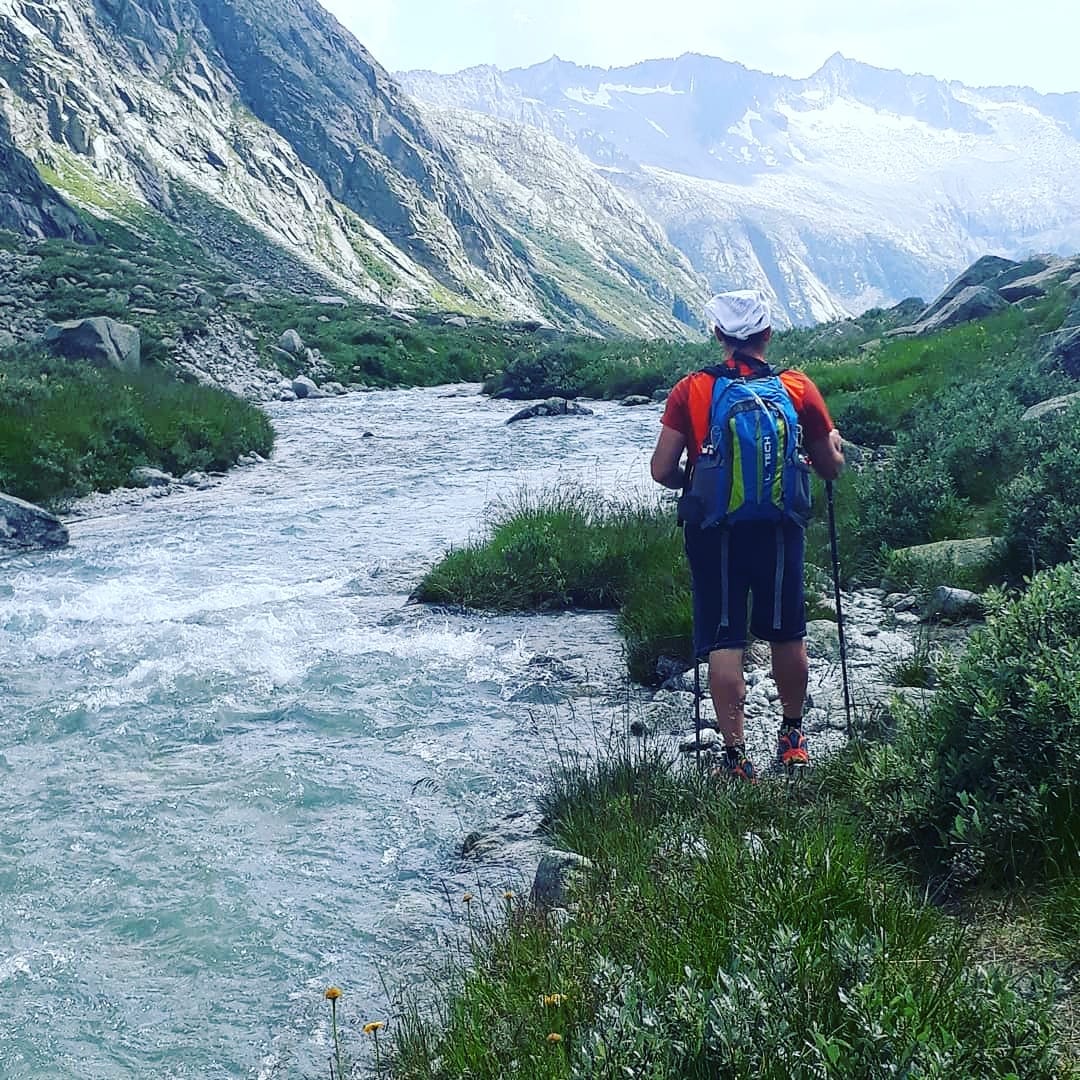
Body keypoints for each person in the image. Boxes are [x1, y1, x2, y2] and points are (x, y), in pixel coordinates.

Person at [650, 290, 844, 781]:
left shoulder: (691, 390)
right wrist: (835, 450)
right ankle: (793, 737)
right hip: (779, 529)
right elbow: (828, 466)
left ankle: (736, 757)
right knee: (787, 631)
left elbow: (660, 470)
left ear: (719, 335)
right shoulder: (797, 387)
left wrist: (697, 481)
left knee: (725, 637)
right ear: (767, 334)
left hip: (713, 531)